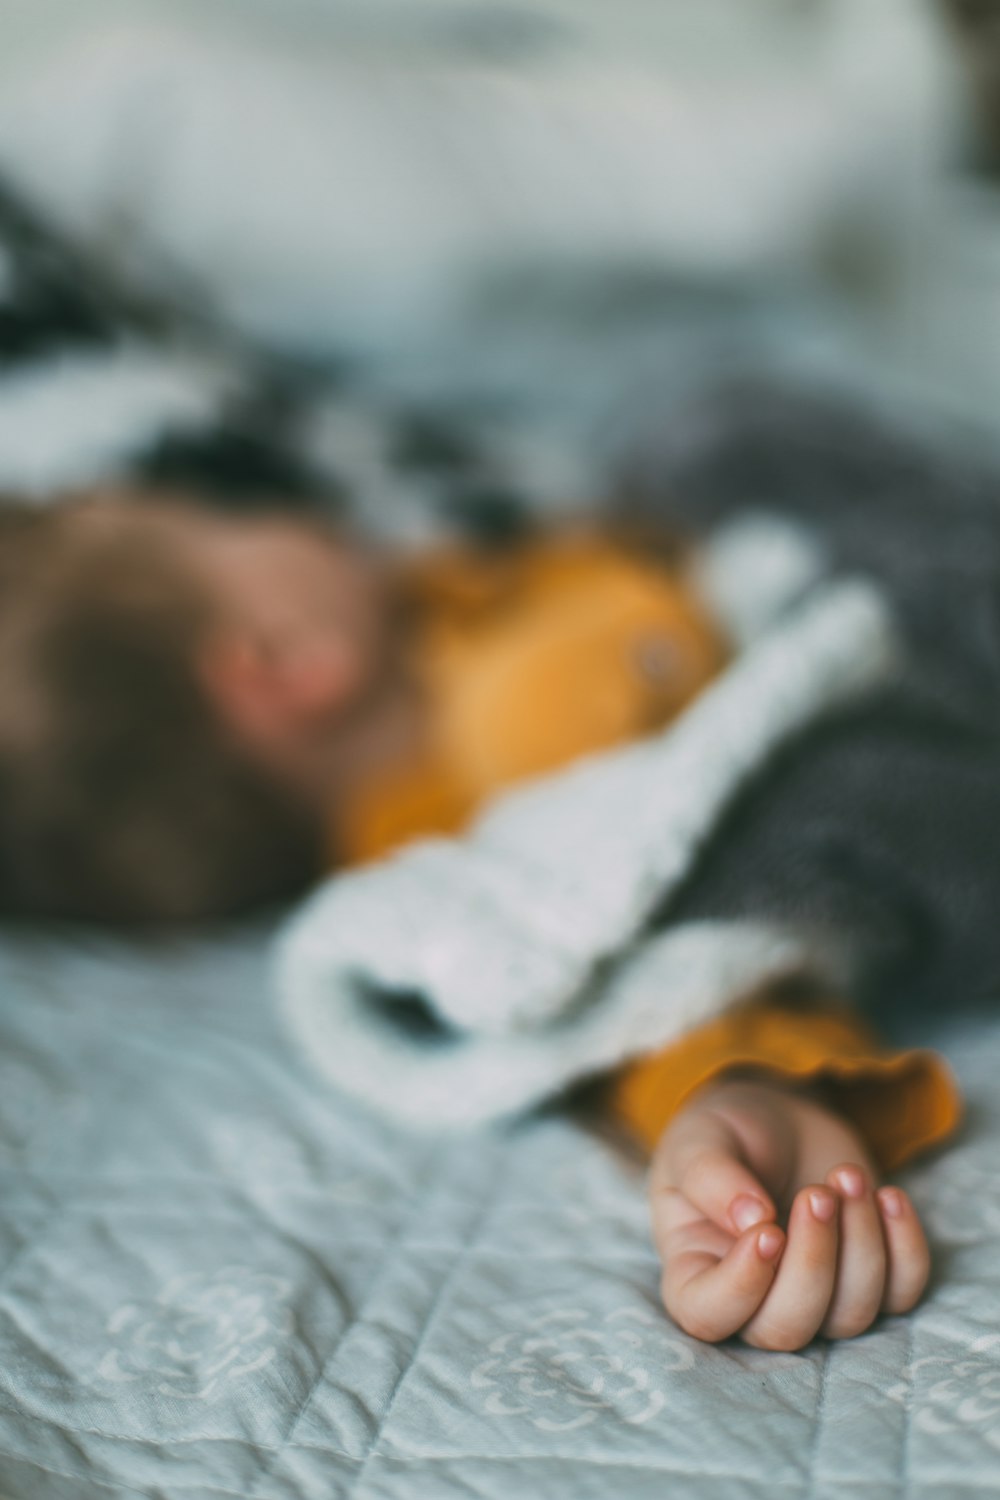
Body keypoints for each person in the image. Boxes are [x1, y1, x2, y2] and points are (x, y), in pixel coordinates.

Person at [0, 489, 960, 1349]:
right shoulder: (478, 859)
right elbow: (627, 966)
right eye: (232, 516)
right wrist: (739, 1097)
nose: (302, 509)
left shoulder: (457, 590)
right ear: (285, 665)